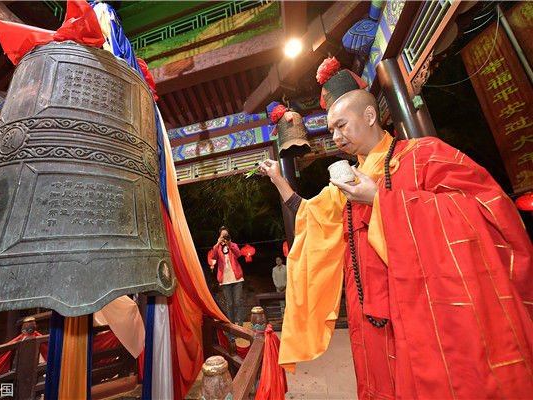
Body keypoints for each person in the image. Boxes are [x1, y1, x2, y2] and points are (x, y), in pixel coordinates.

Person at [258, 61, 533, 399]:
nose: (336, 137)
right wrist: (279, 180)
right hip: (371, 319)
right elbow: (308, 214)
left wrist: (381, 200)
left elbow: (487, 209)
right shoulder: (345, 185)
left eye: (341, 125)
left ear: (369, 116)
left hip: (427, 309)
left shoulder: (424, 155)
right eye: (331, 131)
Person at [211, 226, 244, 326]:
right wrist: (217, 244)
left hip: (236, 278)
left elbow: (238, 254)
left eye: (226, 235)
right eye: (223, 235)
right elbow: (213, 256)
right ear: (219, 236)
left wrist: (230, 245)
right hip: (225, 280)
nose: (224, 237)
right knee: (229, 304)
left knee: (238, 302)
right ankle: (232, 326)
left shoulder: (233, 245)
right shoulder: (217, 247)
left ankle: (240, 326)